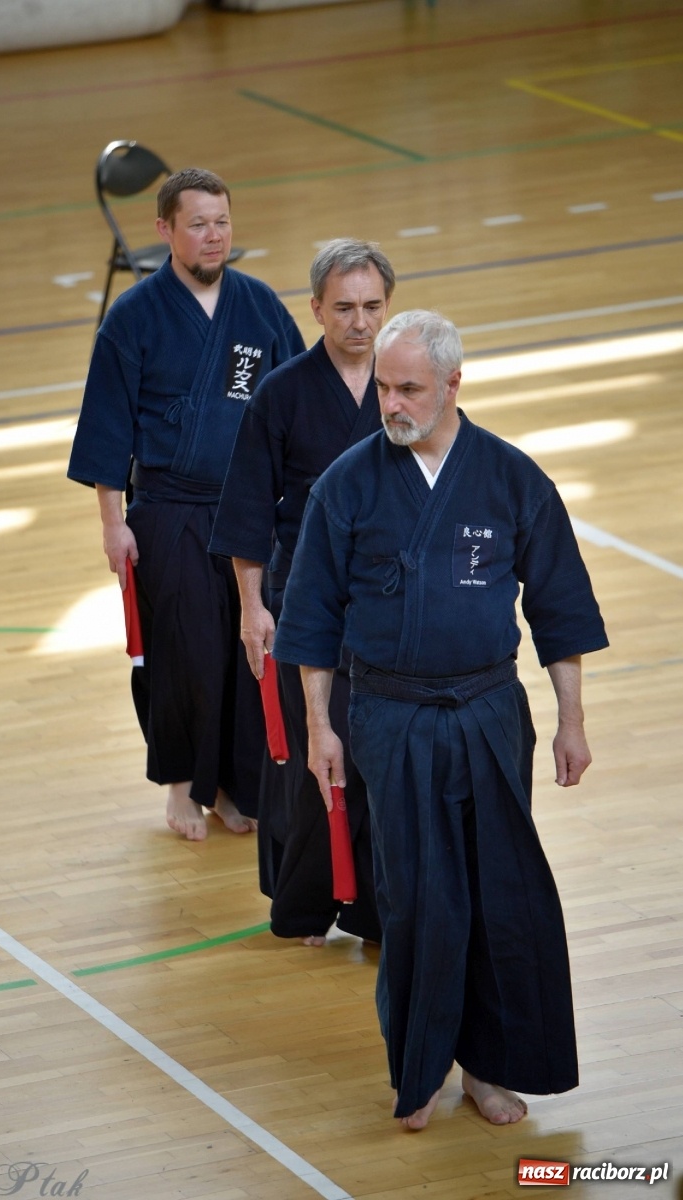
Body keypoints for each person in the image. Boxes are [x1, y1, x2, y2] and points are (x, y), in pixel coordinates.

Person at [273, 310, 608, 1128]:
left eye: (409, 388)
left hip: (490, 710)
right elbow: (311, 619)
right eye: (384, 387)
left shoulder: (509, 478)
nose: (390, 403)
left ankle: (486, 1071)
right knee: (418, 899)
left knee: (501, 892)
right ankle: (418, 1070)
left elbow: (558, 610)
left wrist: (571, 721)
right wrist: (320, 728)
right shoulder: (346, 484)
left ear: (453, 385)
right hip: (390, 714)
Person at [68, 167, 305, 841]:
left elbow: (292, 403)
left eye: (222, 221)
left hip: (249, 513)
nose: (212, 236)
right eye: (197, 223)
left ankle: (234, 783)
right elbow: (107, 427)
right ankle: (181, 785)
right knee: (184, 653)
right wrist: (114, 526)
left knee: (248, 653)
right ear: (165, 230)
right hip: (169, 509)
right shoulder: (133, 317)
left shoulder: (258, 307)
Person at [210, 238, 395, 946]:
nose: (359, 322)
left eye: (372, 307)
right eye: (343, 307)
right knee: (311, 760)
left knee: (380, 760)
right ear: (315, 308)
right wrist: (252, 607)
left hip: (388, 599)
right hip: (304, 601)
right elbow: (248, 512)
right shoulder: (281, 392)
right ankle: (302, 905)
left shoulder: (403, 382)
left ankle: (378, 907)